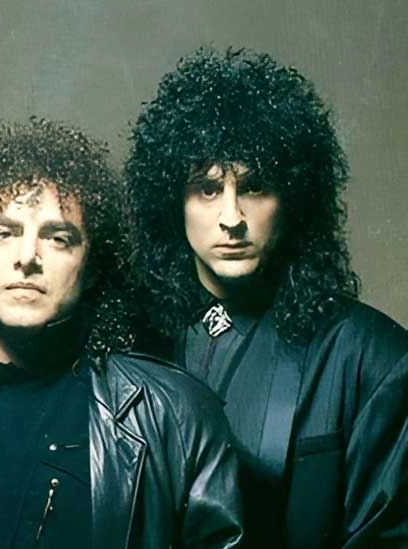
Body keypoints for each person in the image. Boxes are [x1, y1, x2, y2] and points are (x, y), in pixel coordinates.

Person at [125, 48, 408, 548]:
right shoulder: (131, 338)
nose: (231, 218)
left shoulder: (372, 356)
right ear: (172, 201)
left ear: (293, 197)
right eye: (207, 189)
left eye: (254, 187)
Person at [0, 118, 243, 548]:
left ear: (90, 267)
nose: (27, 257)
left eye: (58, 238)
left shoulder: (176, 414)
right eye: (4, 233)